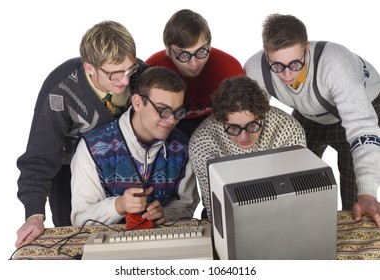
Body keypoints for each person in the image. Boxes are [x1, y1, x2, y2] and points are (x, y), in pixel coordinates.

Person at [15, 20, 149, 247]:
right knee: (75, 243)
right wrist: (34, 214)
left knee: (132, 241)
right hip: (71, 171)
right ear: (89, 68)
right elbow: (40, 156)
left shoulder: (141, 75)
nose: (125, 80)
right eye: (114, 74)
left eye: (129, 69)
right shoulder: (60, 89)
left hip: (128, 168)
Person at [243, 13, 380, 227]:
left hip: (361, 110)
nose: (287, 75)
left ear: (307, 48)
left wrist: (368, 194)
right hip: (308, 113)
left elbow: (363, 128)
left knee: (356, 202)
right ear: (266, 52)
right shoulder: (254, 70)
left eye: (295, 64)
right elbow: (249, 126)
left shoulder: (336, 66)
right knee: (295, 188)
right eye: (277, 66)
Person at [70, 66, 200, 226]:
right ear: (137, 103)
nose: (172, 120)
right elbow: (80, 220)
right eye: (162, 110)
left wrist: (165, 214)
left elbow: (186, 203)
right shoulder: (92, 148)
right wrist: (118, 206)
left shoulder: (183, 147)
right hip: (108, 247)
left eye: (178, 111)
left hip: (162, 243)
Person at [189, 76, 306, 219]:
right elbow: (214, 208)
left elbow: (298, 194)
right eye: (233, 128)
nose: (244, 137)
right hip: (229, 214)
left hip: (282, 210)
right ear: (220, 121)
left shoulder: (288, 129)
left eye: (252, 126)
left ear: (263, 115)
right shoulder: (201, 143)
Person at [146, 9, 244, 138]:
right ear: (168, 51)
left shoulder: (230, 69)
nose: (194, 63)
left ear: (209, 46)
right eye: (183, 54)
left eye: (201, 51)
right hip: (168, 125)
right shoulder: (152, 71)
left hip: (214, 122)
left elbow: (242, 116)